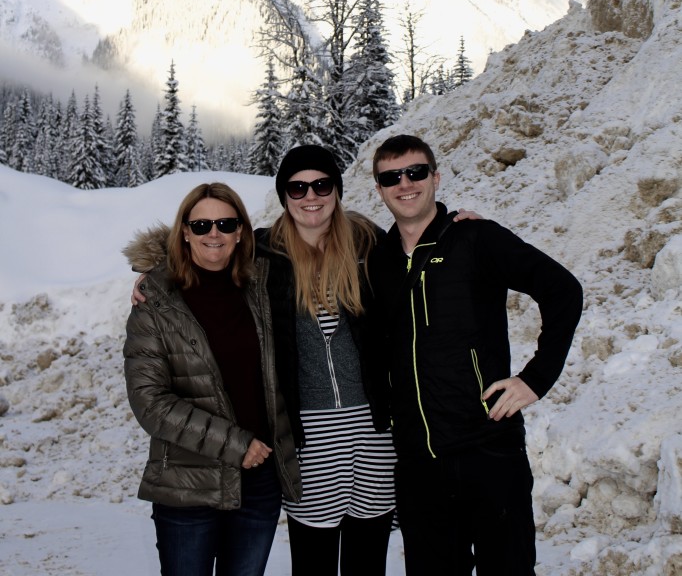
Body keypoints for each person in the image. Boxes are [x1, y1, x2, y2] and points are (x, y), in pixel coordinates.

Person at [130, 148, 398, 576]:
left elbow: (421, 254)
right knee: (314, 559)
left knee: (369, 557)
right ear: (284, 196)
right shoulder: (266, 255)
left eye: (322, 184)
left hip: (373, 431)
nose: (310, 195)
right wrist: (156, 273)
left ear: (337, 190)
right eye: (297, 187)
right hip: (307, 436)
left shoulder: (369, 243)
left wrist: (454, 222)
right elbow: (210, 250)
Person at [367, 133, 583, 576]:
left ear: (436, 177)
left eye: (416, 172)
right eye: (392, 177)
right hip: (418, 466)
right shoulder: (377, 262)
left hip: (488, 452)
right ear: (379, 189)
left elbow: (563, 292)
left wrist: (535, 378)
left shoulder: (476, 239)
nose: (405, 184)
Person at [123, 182, 301, 576]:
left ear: (241, 231)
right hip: (187, 484)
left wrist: (457, 224)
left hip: (259, 483)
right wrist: (237, 445)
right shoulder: (156, 302)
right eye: (201, 225)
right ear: (184, 231)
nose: (214, 233)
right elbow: (150, 402)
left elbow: (320, 232)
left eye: (225, 223)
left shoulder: (264, 285)